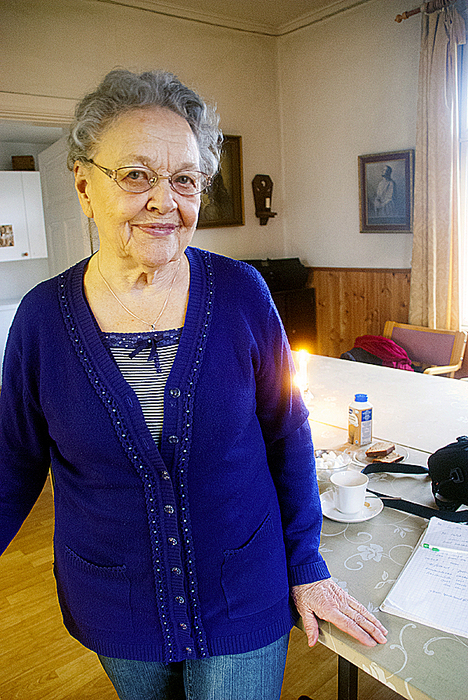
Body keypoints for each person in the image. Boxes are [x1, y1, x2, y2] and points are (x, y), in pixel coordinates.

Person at [0, 69, 387, 700]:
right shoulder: (43, 319)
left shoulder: (241, 294)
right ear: (84, 187)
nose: (164, 200)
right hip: (115, 598)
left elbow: (287, 436)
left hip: (244, 588)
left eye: (184, 179)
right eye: (135, 175)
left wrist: (307, 565)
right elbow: (11, 462)